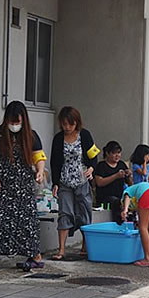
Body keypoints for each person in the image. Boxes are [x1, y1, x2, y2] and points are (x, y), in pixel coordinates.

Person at [0, 101, 47, 272]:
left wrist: (39, 171)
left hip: (22, 186)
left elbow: (39, 157)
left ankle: (35, 256)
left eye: (18, 122)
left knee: (27, 220)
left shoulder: (31, 136)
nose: (14, 125)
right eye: (12, 122)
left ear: (23, 120)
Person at [50, 106, 99, 260]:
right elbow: (54, 162)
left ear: (76, 123)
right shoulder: (58, 138)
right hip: (64, 181)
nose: (67, 128)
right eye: (64, 124)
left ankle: (85, 246)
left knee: (85, 212)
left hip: (82, 179)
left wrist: (92, 168)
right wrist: (55, 182)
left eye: (70, 124)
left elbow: (94, 156)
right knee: (65, 212)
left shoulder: (85, 135)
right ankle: (62, 249)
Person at [119, 181, 149, 266]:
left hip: (147, 194)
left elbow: (127, 197)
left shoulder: (127, 190)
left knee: (143, 227)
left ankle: (147, 258)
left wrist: (125, 210)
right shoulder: (138, 189)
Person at [94, 141, 132, 208]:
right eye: (114, 153)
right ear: (107, 153)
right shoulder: (101, 165)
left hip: (120, 196)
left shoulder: (121, 164)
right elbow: (99, 182)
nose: (117, 155)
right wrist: (116, 176)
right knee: (116, 202)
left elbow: (130, 183)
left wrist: (129, 175)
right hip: (105, 198)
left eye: (119, 153)